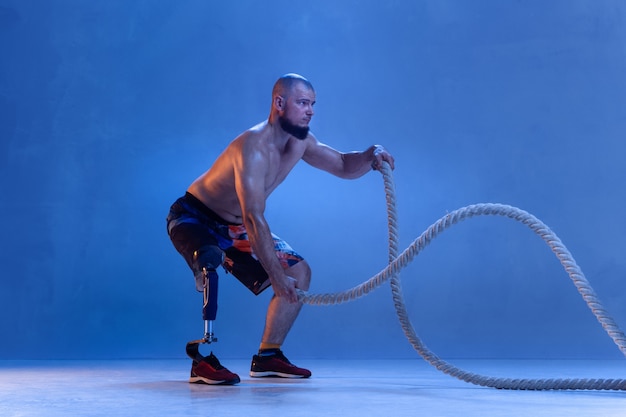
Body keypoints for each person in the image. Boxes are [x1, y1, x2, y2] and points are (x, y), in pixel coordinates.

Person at [166, 73, 395, 385]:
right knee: (209, 260)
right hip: (195, 217)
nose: (310, 110)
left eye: (312, 104)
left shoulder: (300, 142)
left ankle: (268, 356)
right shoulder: (252, 148)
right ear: (279, 104)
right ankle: (203, 358)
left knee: (300, 274)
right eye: (303, 103)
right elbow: (253, 215)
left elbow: (342, 164)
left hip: (235, 226)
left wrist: (371, 155)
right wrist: (274, 273)